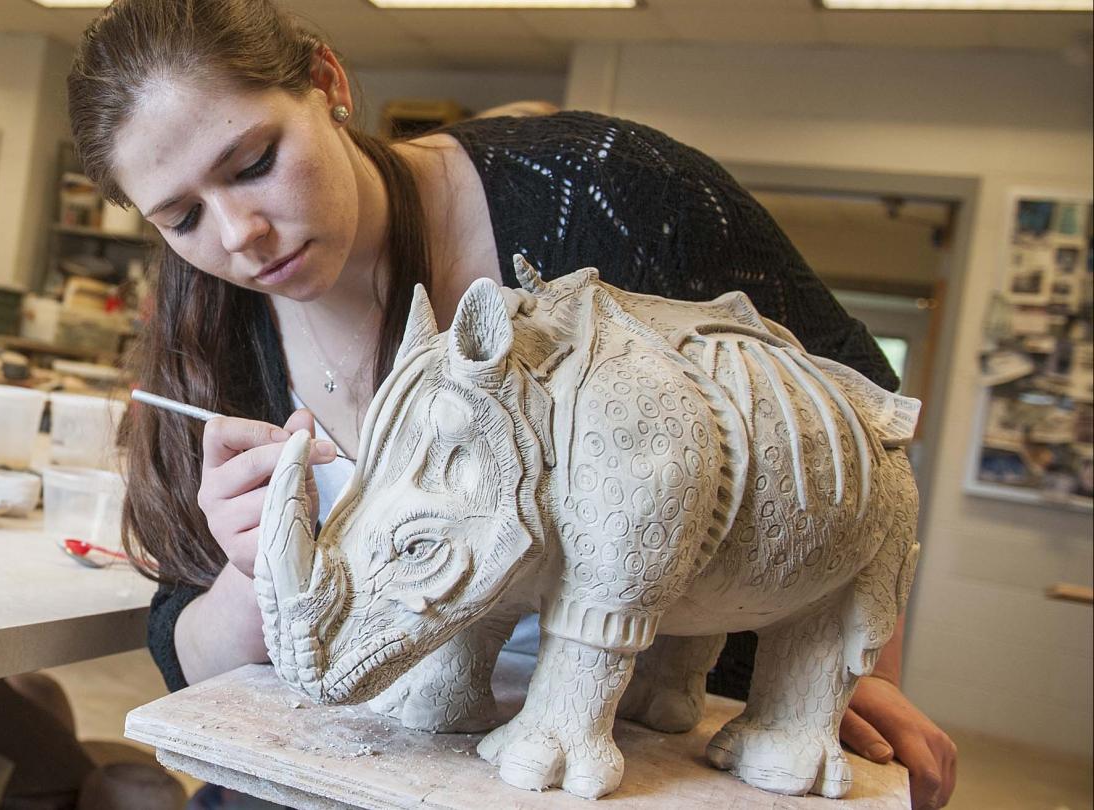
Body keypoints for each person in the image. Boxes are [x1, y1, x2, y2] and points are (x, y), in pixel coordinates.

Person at [67, 1, 957, 808]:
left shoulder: (614, 193)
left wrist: (844, 663)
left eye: (255, 162)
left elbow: (858, 412)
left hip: (614, 764)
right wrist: (248, 573)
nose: (239, 236)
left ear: (328, 84)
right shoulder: (206, 329)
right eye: (181, 218)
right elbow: (188, 667)